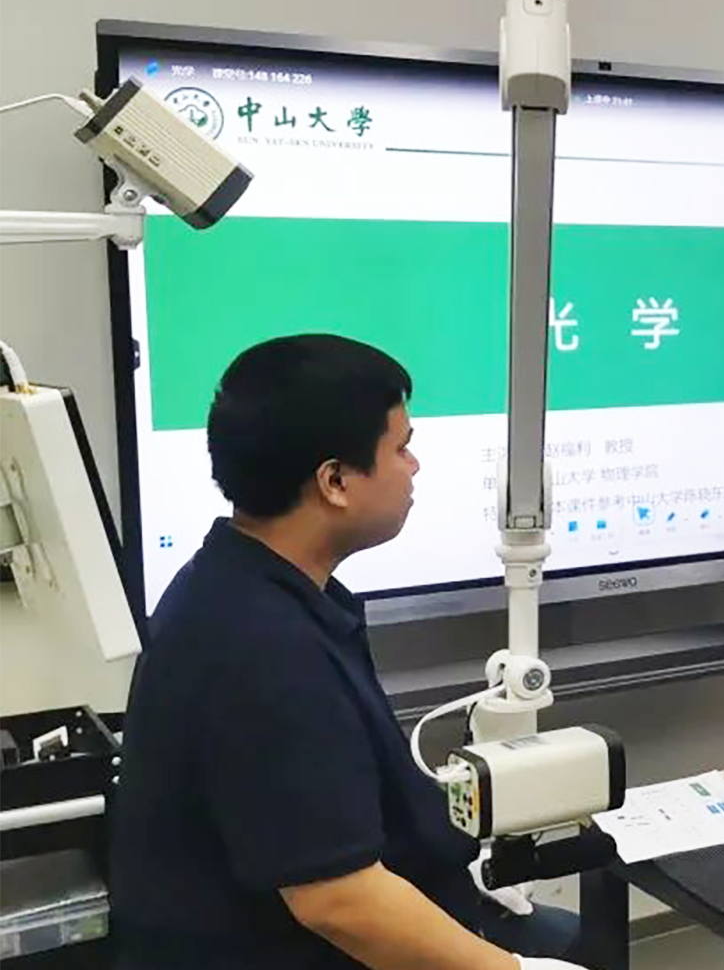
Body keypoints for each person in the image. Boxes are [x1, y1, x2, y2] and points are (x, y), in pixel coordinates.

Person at [109, 335, 584, 970]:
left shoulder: (246, 587)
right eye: (401, 447)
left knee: (565, 933)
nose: (414, 466)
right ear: (334, 480)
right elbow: (338, 901)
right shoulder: (260, 646)